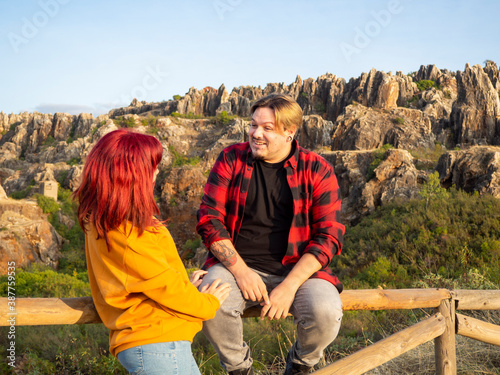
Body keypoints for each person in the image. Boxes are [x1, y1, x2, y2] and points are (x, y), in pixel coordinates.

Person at [196, 93, 345, 375]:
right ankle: (239, 368)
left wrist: (288, 287)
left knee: (326, 312)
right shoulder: (231, 158)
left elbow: (329, 237)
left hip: (298, 271)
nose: (256, 134)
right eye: (253, 125)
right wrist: (241, 272)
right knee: (210, 303)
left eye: (267, 128)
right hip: (235, 266)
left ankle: (301, 364)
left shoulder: (317, 168)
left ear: (290, 132)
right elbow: (209, 219)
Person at [75, 129, 231, 375]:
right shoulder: (125, 232)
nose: (157, 172)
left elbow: (148, 277)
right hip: (158, 343)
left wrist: (182, 280)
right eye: (152, 166)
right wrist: (208, 303)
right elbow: (164, 285)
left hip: (155, 343)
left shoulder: (105, 220)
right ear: (131, 174)